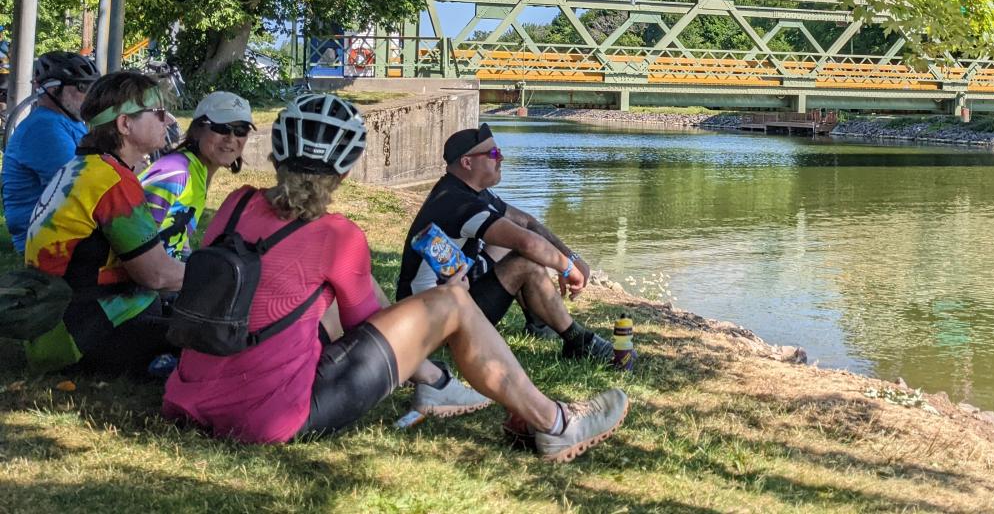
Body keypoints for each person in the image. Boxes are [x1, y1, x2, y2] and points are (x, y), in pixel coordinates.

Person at [162, 93, 628, 458]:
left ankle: (445, 389)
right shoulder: (337, 236)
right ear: (344, 171)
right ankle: (554, 423)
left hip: (189, 398)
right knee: (453, 302)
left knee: (332, 298)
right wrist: (442, 321)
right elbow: (373, 328)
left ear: (277, 155)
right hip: (269, 416)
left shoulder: (236, 203)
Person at [395, 125, 612, 362]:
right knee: (524, 261)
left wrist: (572, 258)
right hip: (432, 321)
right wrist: (568, 270)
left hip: (448, 298)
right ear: (467, 163)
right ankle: (579, 342)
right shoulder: (459, 204)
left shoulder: (470, 192)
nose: (502, 158)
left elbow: (526, 223)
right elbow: (528, 243)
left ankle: (539, 322)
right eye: (494, 155)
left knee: (511, 244)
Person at [23, 71, 186, 373]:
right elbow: (157, 276)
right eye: (159, 113)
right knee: (210, 334)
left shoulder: (82, 167)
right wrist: (215, 275)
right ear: (125, 124)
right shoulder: (112, 181)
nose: (168, 120)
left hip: (49, 331)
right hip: (81, 336)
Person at [2, 52, 98, 252]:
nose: (90, 96)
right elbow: (83, 186)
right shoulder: (43, 128)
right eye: (82, 88)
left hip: (65, 227)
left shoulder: (71, 121)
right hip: (46, 242)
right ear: (54, 90)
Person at [140, 91, 254, 258]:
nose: (231, 138)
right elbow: (137, 242)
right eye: (221, 128)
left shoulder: (197, 173)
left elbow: (178, 240)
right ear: (196, 130)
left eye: (241, 130)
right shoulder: (175, 173)